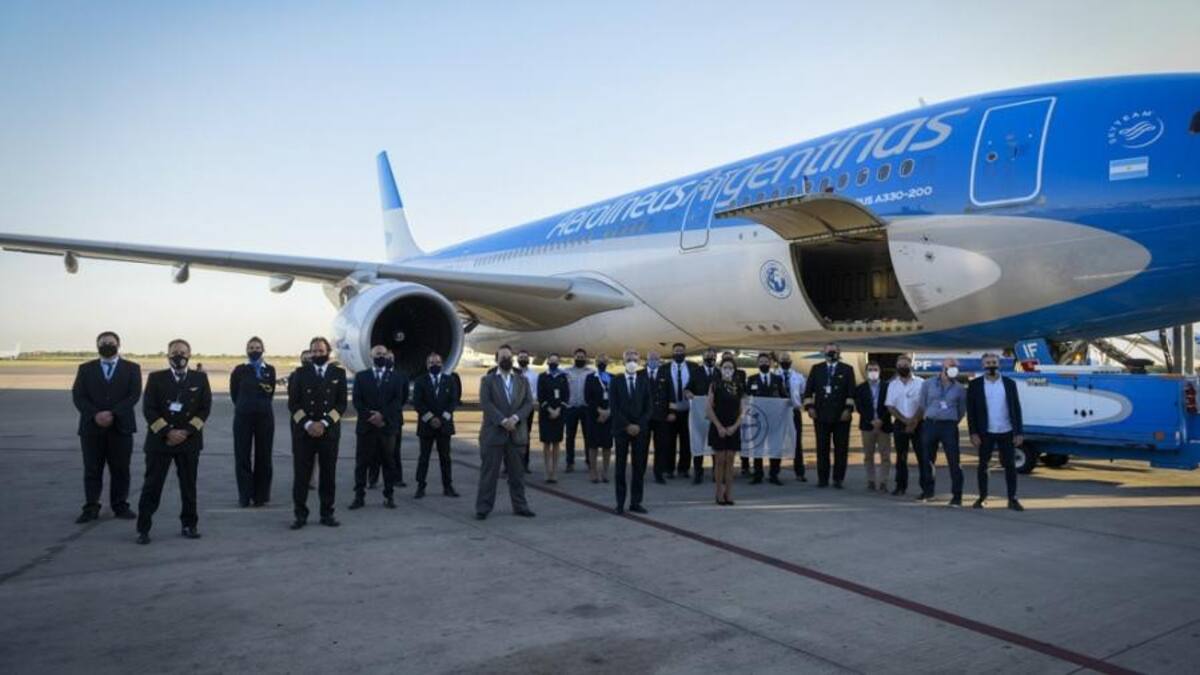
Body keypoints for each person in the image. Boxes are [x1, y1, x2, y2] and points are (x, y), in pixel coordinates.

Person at [136, 339, 211, 544]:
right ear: (168, 355)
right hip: (160, 442)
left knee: (189, 487)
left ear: (190, 354)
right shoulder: (156, 378)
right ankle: (143, 528)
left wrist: (185, 432)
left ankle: (189, 524)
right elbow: (148, 409)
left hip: (189, 442)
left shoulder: (200, 378)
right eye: (174, 352)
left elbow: (205, 409)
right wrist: (168, 432)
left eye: (183, 352)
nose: (179, 356)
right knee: (152, 486)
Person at [71, 331, 142, 523]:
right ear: (97, 346)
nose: (107, 345)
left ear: (119, 345)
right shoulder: (85, 369)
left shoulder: (132, 368)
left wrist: (113, 413)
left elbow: (134, 395)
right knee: (92, 469)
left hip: (121, 427)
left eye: (111, 342)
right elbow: (78, 396)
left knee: (120, 469)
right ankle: (91, 506)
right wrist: (95, 414)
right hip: (92, 428)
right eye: (103, 343)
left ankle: (120, 505)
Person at [287, 336, 348, 529]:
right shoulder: (300, 373)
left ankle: (327, 513)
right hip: (305, 434)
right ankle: (300, 514)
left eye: (321, 351)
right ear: (309, 353)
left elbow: (341, 405)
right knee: (301, 476)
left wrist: (323, 423)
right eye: (314, 351)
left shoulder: (338, 373)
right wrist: (307, 424)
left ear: (328, 352)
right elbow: (293, 404)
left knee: (328, 476)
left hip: (328, 434)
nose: (317, 354)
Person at [475, 345, 537, 519]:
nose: (506, 360)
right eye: (502, 357)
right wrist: (503, 421)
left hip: (516, 434)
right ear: (496, 360)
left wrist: (515, 419)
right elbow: (486, 404)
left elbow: (528, 403)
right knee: (489, 475)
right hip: (494, 435)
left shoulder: (522, 380)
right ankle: (483, 508)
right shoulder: (487, 381)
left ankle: (520, 506)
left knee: (517, 476)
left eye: (509, 357)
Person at [350, 344, 407, 510]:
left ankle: (389, 496)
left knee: (388, 463)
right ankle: (359, 496)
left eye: (383, 354)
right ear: (371, 357)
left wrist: (383, 416)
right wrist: (370, 416)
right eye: (377, 354)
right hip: (366, 428)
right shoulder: (361, 377)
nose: (380, 357)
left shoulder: (396, 377)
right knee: (362, 463)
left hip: (386, 427)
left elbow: (398, 401)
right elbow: (357, 401)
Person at [967, 353, 1025, 511]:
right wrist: (973, 433)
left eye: (994, 362)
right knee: (983, 466)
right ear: (982, 365)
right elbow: (971, 411)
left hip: (1006, 431)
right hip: (986, 432)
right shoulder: (975, 385)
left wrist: (1018, 432)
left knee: (1010, 466)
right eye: (987, 363)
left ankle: (1012, 498)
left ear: (999, 364)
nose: (991, 365)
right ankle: (982, 497)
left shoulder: (1009, 383)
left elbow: (1016, 408)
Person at [229, 336, 276, 508]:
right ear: (246, 350)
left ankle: (261, 495)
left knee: (264, 456)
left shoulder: (269, 370)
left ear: (263, 349)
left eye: (257, 347)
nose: (254, 350)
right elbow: (235, 394)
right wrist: (245, 406)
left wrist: (259, 406)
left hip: (264, 417)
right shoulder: (239, 370)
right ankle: (245, 495)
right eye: (251, 347)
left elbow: (269, 393)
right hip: (243, 417)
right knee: (242, 455)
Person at [803, 342, 857, 488]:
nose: (831, 354)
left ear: (839, 353)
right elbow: (808, 391)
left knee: (841, 449)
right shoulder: (816, 369)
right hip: (821, 416)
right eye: (829, 351)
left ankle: (838, 479)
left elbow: (851, 393)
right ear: (823, 352)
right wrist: (809, 407)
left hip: (841, 417)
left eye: (834, 351)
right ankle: (823, 479)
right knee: (822, 448)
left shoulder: (847, 369)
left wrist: (848, 410)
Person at [917, 357, 967, 505]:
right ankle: (928, 491)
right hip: (930, 424)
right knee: (927, 459)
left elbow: (961, 410)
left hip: (949, 427)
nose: (954, 368)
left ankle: (957, 496)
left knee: (954, 461)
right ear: (943, 367)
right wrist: (933, 415)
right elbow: (923, 404)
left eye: (956, 366)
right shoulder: (928, 384)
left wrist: (950, 421)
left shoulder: (959, 388)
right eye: (951, 365)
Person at [412, 352, 459, 499]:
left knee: (445, 458)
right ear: (427, 365)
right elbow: (418, 402)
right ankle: (420, 486)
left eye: (437, 362)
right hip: (427, 426)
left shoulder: (449, 380)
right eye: (432, 363)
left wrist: (443, 419)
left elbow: (453, 401)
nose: (435, 365)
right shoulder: (420, 381)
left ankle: (448, 486)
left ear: (442, 364)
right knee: (424, 458)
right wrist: (430, 418)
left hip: (444, 426)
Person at [610, 349, 651, 514]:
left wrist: (639, 425)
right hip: (621, 430)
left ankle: (636, 502)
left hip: (640, 431)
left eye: (635, 359)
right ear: (623, 362)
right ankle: (620, 503)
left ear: (639, 361)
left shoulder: (644, 381)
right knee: (620, 467)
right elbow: (614, 407)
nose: (632, 361)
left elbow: (649, 408)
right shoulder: (616, 381)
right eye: (628, 359)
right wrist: (627, 425)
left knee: (638, 467)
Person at [707, 355, 746, 505]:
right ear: (720, 369)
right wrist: (719, 426)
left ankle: (729, 492)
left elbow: (743, 410)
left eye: (730, 367)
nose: (728, 370)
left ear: (734, 370)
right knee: (720, 461)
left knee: (730, 461)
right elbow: (709, 409)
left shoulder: (739, 386)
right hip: (718, 426)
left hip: (733, 426)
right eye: (725, 367)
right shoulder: (714, 385)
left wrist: (734, 427)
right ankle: (718, 492)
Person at [884, 355, 924, 496]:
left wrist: (914, 421)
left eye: (905, 365)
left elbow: (923, 404)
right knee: (901, 457)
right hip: (900, 424)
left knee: (923, 456)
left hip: (919, 424)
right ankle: (900, 486)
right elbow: (890, 406)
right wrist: (904, 420)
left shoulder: (921, 383)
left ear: (911, 365)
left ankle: (926, 488)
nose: (903, 368)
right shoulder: (893, 385)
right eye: (900, 366)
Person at [367, 350, 407, 488]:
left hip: (394, 419)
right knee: (374, 451)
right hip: (376, 419)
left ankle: (397, 478)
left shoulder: (401, 376)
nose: (388, 360)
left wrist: (389, 413)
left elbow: (403, 398)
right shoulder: (372, 376)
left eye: (391, 358)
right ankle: (373, 479)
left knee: (395, 451)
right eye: (386, 357)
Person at [746, 352, 786, 485]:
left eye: (766, 361)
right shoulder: (752, 379)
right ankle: (758, 474)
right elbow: (746, 398)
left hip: (774, 419)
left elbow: (783, 396)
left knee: (775, 446)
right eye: (761, 362)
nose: (764, 364)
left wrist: (788, 403)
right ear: (757, 364)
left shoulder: (778, 379)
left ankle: (774, 474)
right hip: (758, 419)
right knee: (758, 446)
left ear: (770, 363)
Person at [659, 342, 696, 482]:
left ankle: (684, 469)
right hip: (670, 411)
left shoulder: (693, 367)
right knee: (669, 441)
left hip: (688, 410)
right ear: (672, 352)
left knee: (686, 441)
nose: (679, 353)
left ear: (685, 352)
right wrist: (667, 410)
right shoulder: (664, 368)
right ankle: (669, 469)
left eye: (681, 351)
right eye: (676, 351)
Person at [855, 361, 893, 492]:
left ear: (880, 371)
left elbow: (890, 406)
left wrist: (881, 420)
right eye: (870, 369)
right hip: (867, 425)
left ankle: (883, 482)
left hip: (884, 425)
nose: (873, 372)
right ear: (866, 372)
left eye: (875, 369)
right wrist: (871, 420)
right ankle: (871, 480)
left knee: (885, 456)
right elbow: (860, 407)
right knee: (868, 455)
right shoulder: (860, 388)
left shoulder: (888, 387)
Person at [685, 347, 719, 482]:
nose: (710, 358)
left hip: (715, 413)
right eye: (707, 356)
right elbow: (687, 388)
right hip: (699, 413)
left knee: (715, 442)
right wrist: (687, 393)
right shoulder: (696, 372)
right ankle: (698, 473)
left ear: (716, 358)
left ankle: (716, 472)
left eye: (712, 356)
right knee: (698, 440)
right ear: (703, 357)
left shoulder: (719, 372)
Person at [537, 353, 568, 483]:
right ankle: (546, 470)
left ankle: (554, 471)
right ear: (547, 362)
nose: (553, 363)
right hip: (545, 413)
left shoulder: (562, 377)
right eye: (551, 361)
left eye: (556, 361)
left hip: (559, 413)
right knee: (546, 443)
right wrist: (549, 409)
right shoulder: (543, 377)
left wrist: (558, 410)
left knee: (556, 442)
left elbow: (566, 395)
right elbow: (540, 396)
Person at [583, 354, 614, 483]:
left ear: (608, 362)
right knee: (593, 445)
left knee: (607, 445)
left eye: (604, 361)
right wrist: (599, 411)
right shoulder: (590, 378)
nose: (602, 363)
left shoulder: (613, 377)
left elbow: (617, 396)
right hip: (594, 416)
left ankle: (605, 472)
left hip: (609, 416)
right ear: (596, 363)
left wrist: (609, 411)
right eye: (599, 361)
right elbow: (587, 397)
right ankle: (593, 471)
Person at [777, 353, 808, 482]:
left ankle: (799, 472)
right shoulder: (775, 375)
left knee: (797, 442)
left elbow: (803, 392)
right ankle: (775, 471)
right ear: (779, 361)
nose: (785, 362)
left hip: (794, 411)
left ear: (791, 361)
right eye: (783, 360)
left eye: (787, 360)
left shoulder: (798, 377)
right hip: (779, 412)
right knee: (777, 441)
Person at [563, 348, 594, 472]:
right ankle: (570, 462)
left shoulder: (591, 372)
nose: (580, 359)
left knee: (588, 436)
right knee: (570, 436)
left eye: (582, 357)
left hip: (585, 408)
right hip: (571, 408)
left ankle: (589, 461)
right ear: (573, 357)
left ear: (586, 358)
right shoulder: (566, 372)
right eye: (578, 356)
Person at [644, 350, 672, 484]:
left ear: (659, 361)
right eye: (651, 358)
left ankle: (659, 473)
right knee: (642, 446)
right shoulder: (639, 374)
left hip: (661, 417)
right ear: (647, 360)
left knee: (661, 447)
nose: (653, 361)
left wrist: (672, 411)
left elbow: (671, 394)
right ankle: (640, 472)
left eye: (656, 359)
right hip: (644, 417)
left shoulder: (665, 374)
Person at [516, 349, 539, 472]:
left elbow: (535, 393)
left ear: (528, 359)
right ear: (517, 359)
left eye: (525, 357)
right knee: (511, 436)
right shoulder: (512, 373)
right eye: (521, 357)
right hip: (514, 409)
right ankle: (509, 464)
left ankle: (525, 463)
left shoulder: (534, 376)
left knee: (526, 437)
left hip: (528, 409)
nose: (523, 359)